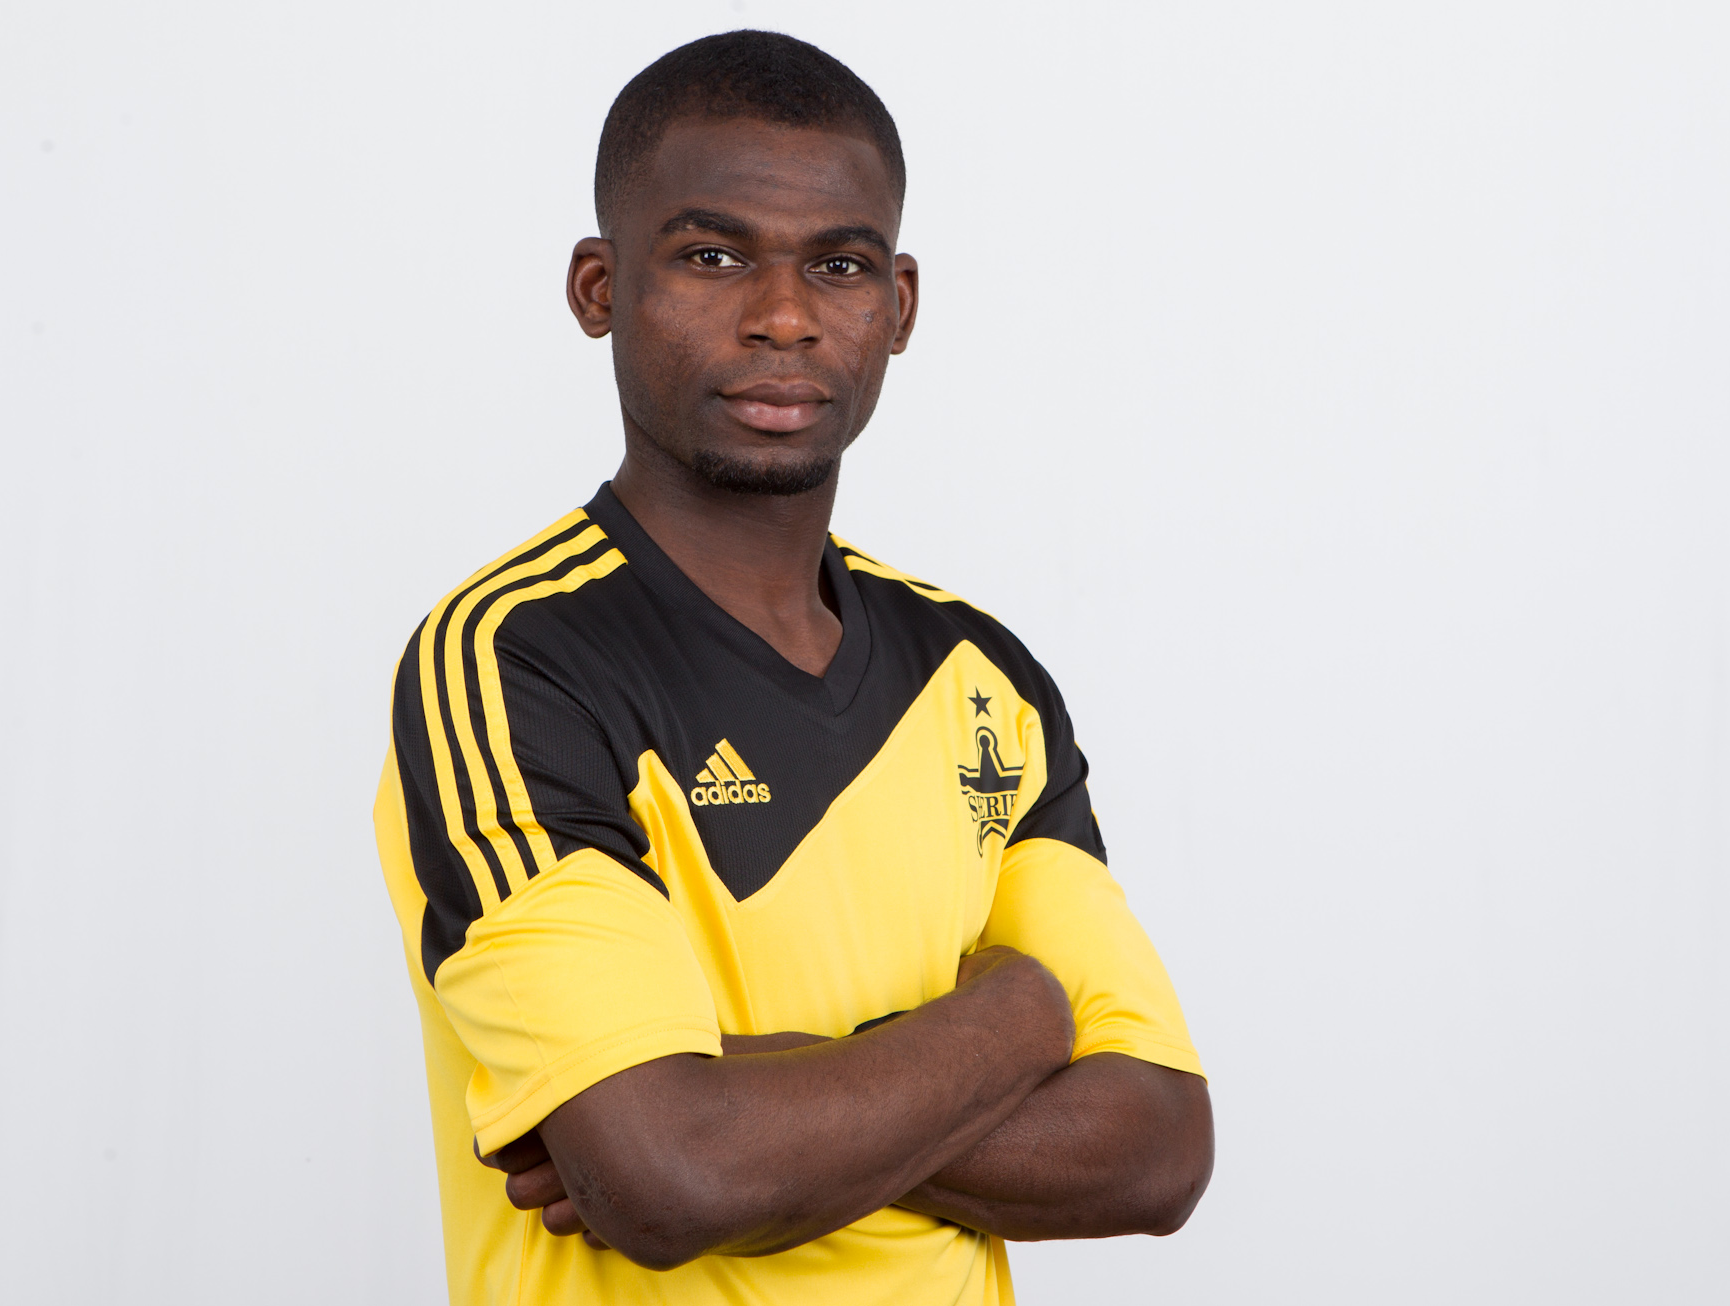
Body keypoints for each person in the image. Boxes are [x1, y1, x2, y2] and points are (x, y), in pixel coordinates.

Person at [372, 30, 1212, 1304]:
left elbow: (1157, 1150)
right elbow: (675, 1176)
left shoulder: (981, 677)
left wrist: (745, 1103)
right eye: (712, 256)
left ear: (900, 306)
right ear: (599, 287)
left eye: (840, 264)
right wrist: (1015, 1020)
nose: (783, 317)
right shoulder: (513, 661)